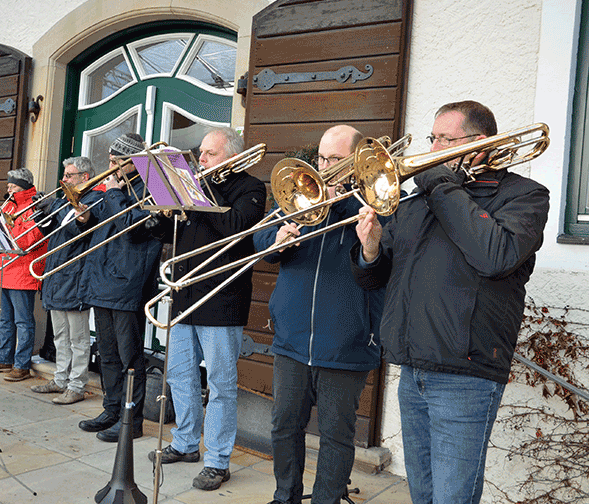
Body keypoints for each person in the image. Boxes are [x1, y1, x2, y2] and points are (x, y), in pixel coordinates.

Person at [352, 101, 550, 504]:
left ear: (480, 144)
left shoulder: (525, 196)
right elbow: (375, 278)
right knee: (422, 492)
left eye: (445, 139)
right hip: (413, 368)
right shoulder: (416, 201)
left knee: (452, 496)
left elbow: (495, 256)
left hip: (466, 372)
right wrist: (370, 248)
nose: (433, 147)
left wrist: (441, 185)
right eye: (433, 138)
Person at [253, 125, 385, 504]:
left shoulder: (377, 204)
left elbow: (381, 268)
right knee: (283, 428)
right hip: (292, 339)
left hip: (346, 343)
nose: (324, 167)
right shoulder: (299, 197)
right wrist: (277, 240)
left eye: (335, 160)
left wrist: (368, 240)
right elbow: (259, 239)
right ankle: (285, 497)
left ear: (357, 163)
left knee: (336, 435)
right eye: (322, 159)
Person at [149, 126, 266, 491]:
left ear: (231, 154)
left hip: (222, 299)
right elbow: (165, 235)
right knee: (179, 375)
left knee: (220, 384)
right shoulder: (194, 187)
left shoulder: (251, 188)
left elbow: (234, 227)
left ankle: (218, 460)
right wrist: (164, 208)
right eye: (200, 153)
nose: (200, 160)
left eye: (209, 154)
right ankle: (185, 443)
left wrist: (196, 190)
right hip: (184, 295)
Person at [76, 133, 162, 442]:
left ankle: (131, 419)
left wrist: (113, 194)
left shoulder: (154, 188)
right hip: (103, 280)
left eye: (115, 162)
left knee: (129, 359)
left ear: (132, 162)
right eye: (110, 161)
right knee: (108, 354)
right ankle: (111, 409)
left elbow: (135, 228)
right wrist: (85, 218)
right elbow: (103, 223)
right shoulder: (118, 188)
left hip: (128, 284)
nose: (109, 167)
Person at [31, 156, 102, 405]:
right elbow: (51, 234)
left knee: (79, 339)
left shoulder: (92, 200)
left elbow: (79, 231)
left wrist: (57, 208)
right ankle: (60, 379)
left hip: (76, 276)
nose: (64, 180)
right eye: (64, 176)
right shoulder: (64, 201)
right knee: (60, 335)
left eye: (69, 176)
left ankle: (77, 385)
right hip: (57, 274)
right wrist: (41, 211)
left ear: (84, 177)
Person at [0, 168, 48, 382]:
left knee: (23, 320)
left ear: (23, 186)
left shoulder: (34, 205)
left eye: (12, 186)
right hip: (1, 267)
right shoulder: (8, 205)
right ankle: (4, 358)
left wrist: (5, 233)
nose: (7, 189)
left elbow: (31, 239)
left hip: (22, 269)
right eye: (8, 186)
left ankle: (22, 364)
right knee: (4, 319)